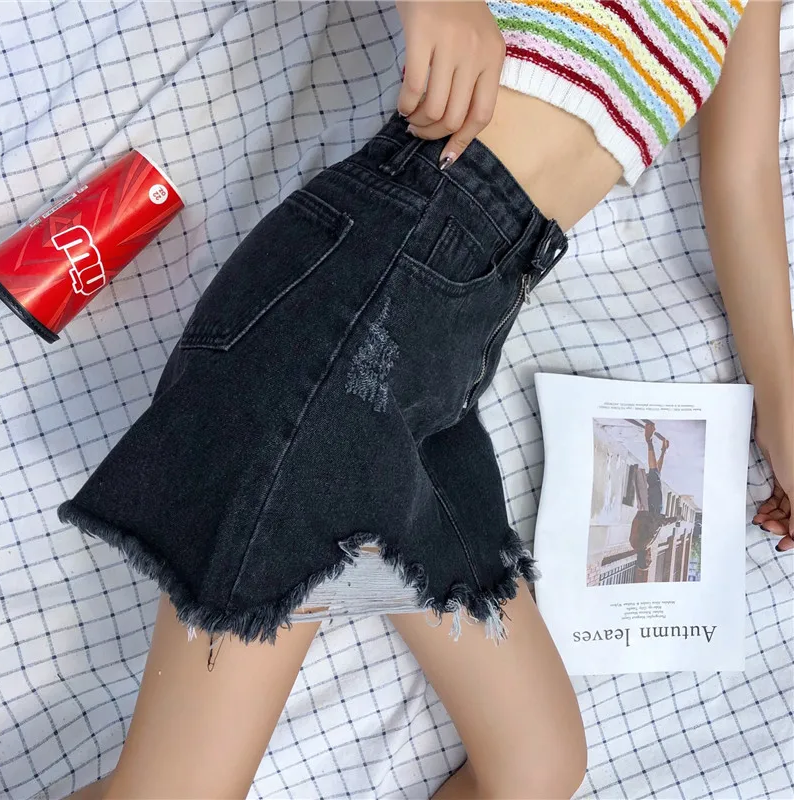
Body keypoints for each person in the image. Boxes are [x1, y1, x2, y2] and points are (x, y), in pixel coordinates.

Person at [59, 1, 792, 798]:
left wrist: (785, 419)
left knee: (536, 770)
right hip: (367, 291)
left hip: (452, 350)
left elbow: (744, 178)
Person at [628, 422, 681, 578]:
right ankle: (663, 450)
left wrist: (675, 519)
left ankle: (648, 439)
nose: (651, 558)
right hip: (647, 508)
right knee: (656, 476)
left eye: (648, 560)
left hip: (652, 508)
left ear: (643, 558)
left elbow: (657, 523)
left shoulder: (643, 544)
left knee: (654, 476)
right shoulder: (636, 544)